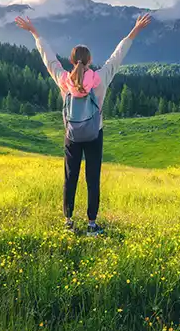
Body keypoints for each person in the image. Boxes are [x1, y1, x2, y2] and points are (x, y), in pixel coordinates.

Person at [15, 13, 152, 236]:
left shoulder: (63, 80)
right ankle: (91, 224)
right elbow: (117, 56)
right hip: (94, 134)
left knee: (70, 177)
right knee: (92, 178)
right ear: (89, 61)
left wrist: (34, 32)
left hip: (71, 136)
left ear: (72, 62)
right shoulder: (101, 78)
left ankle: (68, 221)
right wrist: (134, 30)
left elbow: (48, 58)